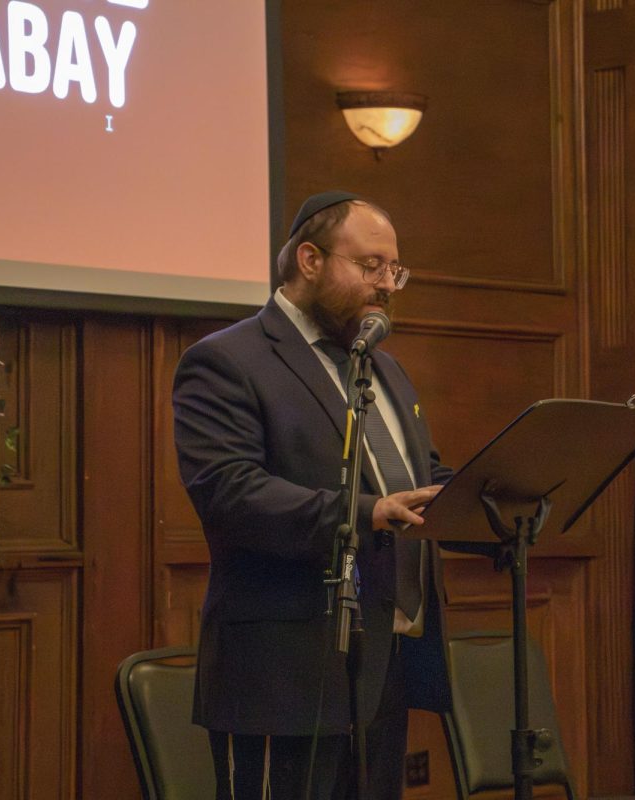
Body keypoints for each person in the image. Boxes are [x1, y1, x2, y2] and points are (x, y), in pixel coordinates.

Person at [172, 191, 453, 800]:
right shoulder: (227, 360)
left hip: (383, 662)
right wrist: (368, 512)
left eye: (395, 270)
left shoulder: (385, 368)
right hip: (282, 672)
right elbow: (230, 491)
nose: (388, 284)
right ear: (309, 260)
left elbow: (418, 476)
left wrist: (489, 492)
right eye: (371, 265)